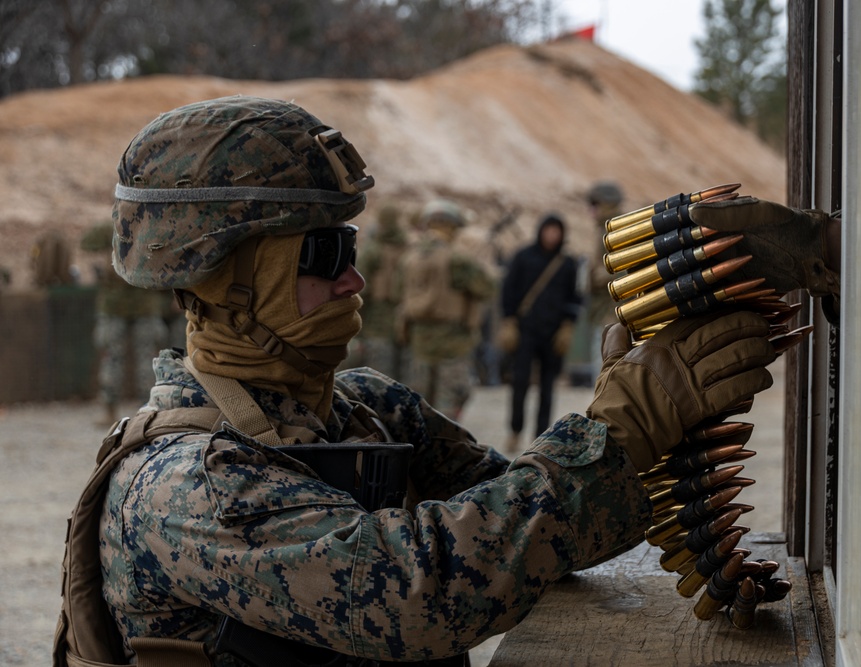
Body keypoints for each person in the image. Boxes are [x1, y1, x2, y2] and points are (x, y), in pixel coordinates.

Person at [54, 96, 789, 667]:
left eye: (351, 245)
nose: (355, 276)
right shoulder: (186, 486)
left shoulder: (365, 408)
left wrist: (631, 415)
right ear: (222, 278)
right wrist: (615, 433)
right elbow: (421, 588)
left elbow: (538, 539)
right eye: (321, 253)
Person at [397, 199, 496, 420]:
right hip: (453, 344)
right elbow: (487, 288)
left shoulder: (410, 258)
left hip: (419, 341)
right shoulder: (458, 259)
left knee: (419, 409)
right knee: (448, 412)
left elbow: (398, 293)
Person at [497, 213, 581, 452]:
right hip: (525, 331)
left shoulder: (567, 263)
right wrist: (509, 321)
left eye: (557, 231)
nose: (552, 235)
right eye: (549, 230)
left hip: (553, 334)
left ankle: (541, 437)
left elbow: (575, 297)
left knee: (547, 387)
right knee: (520, 383)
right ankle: (515, 431)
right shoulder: (523, 257)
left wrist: (568, 326)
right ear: (541, 231)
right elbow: (508, 290)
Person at [80, 222, 169, 424]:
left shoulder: (146, 230)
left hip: (140, 305)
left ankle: (147, 411)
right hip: (121, 307)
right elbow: (87, 245)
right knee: (116, 358)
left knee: (143, 360)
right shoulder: (132, 229)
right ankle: (120, 410)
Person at [355, 203, 409, 378]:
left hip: (376, 322)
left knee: (378, 376)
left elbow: (360, 287)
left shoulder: (372, 250)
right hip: (405, 322)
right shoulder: (408, 248)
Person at [583, 181, 625, 384]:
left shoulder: (618, 230)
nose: (592, 210)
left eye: (596, 204)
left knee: (608, 372)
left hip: (613, 314)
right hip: (601, 311)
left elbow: (628, 268)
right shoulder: (602, 231)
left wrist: (603, 274)